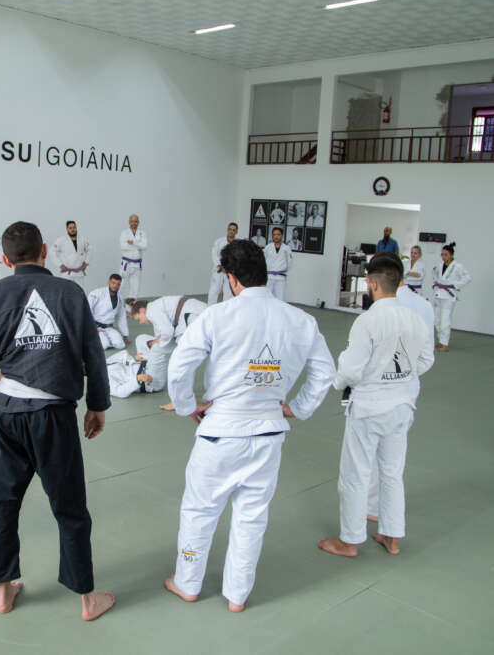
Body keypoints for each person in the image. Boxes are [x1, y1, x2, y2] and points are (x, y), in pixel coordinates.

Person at [0, 221, 115, 621]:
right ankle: (87, 599)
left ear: (4, 259)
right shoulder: (69, 292)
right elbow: (94, 352)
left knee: (5, 503)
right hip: (53, 417)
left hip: (5, 414)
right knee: (69, 508)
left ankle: (4, 590)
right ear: (45, 252)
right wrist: (97, 404)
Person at [163, 239, 335, 611]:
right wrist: (296, 408)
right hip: (269, 432)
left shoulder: (215, 316)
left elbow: (178, 367)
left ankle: (188, 583)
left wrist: (188, 405)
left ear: (230, 278)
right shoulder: (300, 320)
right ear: (265, 274)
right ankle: (237, 596)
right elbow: (325, 372)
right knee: (251, 517)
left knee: (200, 511)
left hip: (220, 432)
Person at [319, 255, 434, 558]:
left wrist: (339, 381)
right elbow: (425, 360)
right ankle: (391, 535)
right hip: (402, 405)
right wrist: (399, 377)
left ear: (371, 283)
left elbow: (352, 369)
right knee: (392, 472)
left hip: (369, 406)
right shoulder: (416, 319)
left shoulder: (368, 321)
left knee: (356, 473)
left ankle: (350, 540)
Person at [364, 256, 435, 521]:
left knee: (369, 453)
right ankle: (389, 518)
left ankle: (371, 508)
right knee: (393, 458)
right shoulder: (424, 307)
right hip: (407, 388)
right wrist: (405, 373)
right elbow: (427, 357)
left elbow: (363, 357)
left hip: (375, 390)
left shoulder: (379, 308)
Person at [127, 295, 207, 355]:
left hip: (193, 313)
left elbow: (167, 332)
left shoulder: (151, 311)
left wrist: (153, 342)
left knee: (183, 351)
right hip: (192, 313)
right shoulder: (154, 309)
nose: (140, 322)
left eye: (139, 319)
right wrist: (156, 341)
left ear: (142, 310)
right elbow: (160, 335)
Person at [431, 242, 471, 351]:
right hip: (439, 293)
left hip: (448, 296)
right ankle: (440, 340)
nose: (443, 257)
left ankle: (445, 343)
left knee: (445, 320)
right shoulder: (439, 265)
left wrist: (455, 285)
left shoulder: (458, 266)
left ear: (451, 255)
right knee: (437, 319)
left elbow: (467, 278)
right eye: (442, 255)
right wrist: (436, 282)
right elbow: (434, 273)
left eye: (446, 255)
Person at [106, 334, 168, 398]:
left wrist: (134, 359)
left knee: (140, 338)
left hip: (142, 363)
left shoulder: (104, 363)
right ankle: (172, 340)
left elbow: (122, 356)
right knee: (158, 349)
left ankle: (162, 340)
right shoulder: (104, 380)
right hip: (149, 379)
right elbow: (120, 392)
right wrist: (138, 379)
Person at [87, 274, 129, 349]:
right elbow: (87, 310)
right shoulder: (97, 293)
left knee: (120, 345)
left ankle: (105, 339)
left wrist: (125, 335)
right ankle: (92, 338)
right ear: (109, 282)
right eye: (113, 283)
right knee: (104, 345)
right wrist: (92, 327)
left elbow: (121, 317)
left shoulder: (120, 298)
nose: (115, 286)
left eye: (118, 284)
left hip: (109, 327)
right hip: (96, 327)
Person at [52, 220, 91, 289]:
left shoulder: (82, 240)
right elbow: (52, 252)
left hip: (79, 273)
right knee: (66, 292)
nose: (73, 229)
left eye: (74, 227)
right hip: (67, 273)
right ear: (67, 229)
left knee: (79, 292)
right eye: (70, 228)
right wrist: (60, 264)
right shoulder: (61, 240)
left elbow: (90, 250)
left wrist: (86, 262)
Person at [208, 223, 238, 305]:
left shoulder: (237, 244)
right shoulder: (219, 241)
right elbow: (214, 254)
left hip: (230, 271)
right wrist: (220, 266)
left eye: (233, 230)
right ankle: (209, 311)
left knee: (228, 294)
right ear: (227, 230)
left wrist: (229, 268)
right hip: (219, 270)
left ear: (236, 232)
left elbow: (238, 258)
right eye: (230, 229)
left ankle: (225, 313)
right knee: (214, 292)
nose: (231, 231)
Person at [119, 214, 147, 298]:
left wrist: (133, 242)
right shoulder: (124, 233)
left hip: (137, 265)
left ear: (138, 222)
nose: (133, 223)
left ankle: (130, 309)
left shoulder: (142, 233)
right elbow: (123, 246)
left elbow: (144, 246)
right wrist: (138, 244)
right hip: (126, 264)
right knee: (120, 285)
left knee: (135, 288)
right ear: (129, 222)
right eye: (132, 221)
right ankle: (115, 306)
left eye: (135, 221)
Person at [264, 227, 293, 301]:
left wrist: (282, 271)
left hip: (280, 278)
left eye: (278, 234)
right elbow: (263, 260)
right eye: (274, 235)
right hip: (269, 277)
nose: (276, 236)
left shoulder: (287, 248)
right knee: (266, 298)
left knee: (280, 299)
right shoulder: (268, 247)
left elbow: (289, 263)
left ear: (282, 235)